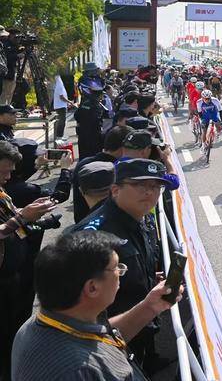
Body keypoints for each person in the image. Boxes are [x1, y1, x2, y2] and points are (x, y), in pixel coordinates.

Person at [11, 231, 181, 381]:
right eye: (116, 268)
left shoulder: (43, 323)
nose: (121, 272)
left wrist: (150, 306)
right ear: (92, 288)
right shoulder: (79, 372)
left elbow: (99, 338)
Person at [70, 158, 180, 367]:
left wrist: (149, 278)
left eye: (156, 186)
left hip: (142, 324)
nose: (149, 192)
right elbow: (78, 307)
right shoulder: (92, 236)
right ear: (115, 190)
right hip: (109, 337)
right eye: (140, 185)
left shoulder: (141, 217)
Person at [0, 140, 61, 380]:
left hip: (12, 276)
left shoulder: (2, 192)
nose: (8, 177)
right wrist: (23, 216)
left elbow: (13, 220)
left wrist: (32, 214)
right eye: (3, 171)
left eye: (10, 172)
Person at [70, 126, 131, 223]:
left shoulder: (83, 164)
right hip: (105, 224)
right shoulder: (116, 170)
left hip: (82, 222)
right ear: (123, 148)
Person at [52, 74, 75, 139]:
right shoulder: (59, 85)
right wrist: (69, 101)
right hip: (60, 107)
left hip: (60, 106)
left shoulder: (59, 84)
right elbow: (61, 97)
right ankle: (59, 136)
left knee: (61, 121)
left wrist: (67, 103)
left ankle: (59, 136)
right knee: (61, 122)